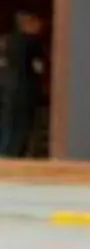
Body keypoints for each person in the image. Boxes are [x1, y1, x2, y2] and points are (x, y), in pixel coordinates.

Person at [0, 11, 43, 161]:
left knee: (7, 124)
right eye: (36, 22)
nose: (40, 25)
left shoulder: (5, 40)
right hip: (25, 91)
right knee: (22, 127)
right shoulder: (32, 42)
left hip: (6, 89)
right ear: (26, 23)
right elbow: (38, 68)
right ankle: (14, 158)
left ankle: (4, 156)